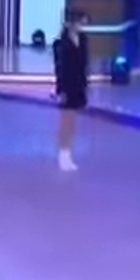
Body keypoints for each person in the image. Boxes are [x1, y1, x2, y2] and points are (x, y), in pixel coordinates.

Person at [52, 9, 89, 171]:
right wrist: (60, 90)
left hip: (78, 85)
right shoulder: (61, 42)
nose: (82, 26)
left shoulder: (84, 39)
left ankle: (69, 155)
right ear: (71, 23)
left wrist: (85, 85)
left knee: (73, 123)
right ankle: (63, 155)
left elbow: (84, 64)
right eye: (80, 22)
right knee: (66, 122)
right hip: (67, 86)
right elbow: (60, 68)